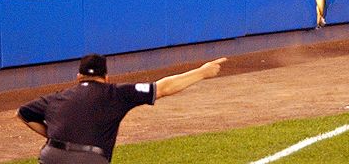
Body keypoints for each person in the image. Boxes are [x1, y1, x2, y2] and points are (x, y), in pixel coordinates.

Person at [17, 53, 227, 163]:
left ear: (79, 77)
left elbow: (23, 113)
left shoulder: (57, 97)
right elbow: (163, 88)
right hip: (89, 160)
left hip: (51, 156)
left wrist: (54, 136)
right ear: (106, 78)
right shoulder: (117, 93)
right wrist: (202, 72)